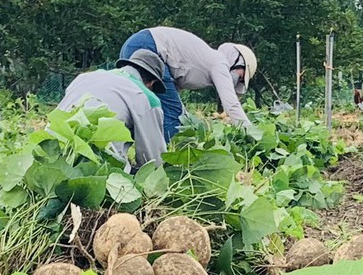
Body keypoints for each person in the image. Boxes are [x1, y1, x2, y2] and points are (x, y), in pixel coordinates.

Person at [116, 25, 258, 141]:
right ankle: (167, 160)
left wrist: (189, 119)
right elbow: (231, 104)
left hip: (134, 45)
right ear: (237, 61)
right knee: (172, 112)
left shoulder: (204, 63)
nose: (237, 81)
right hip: (147, 47)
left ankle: (133, 151)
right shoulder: (220, 63)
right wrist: (250, 132)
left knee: (143, 105)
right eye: (241, 77)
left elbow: (172, 92)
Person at [58, 48, 169, 168]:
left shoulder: (84, 77)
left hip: (53, 152)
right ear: (152, 83)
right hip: (98, 167)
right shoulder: (146, 96)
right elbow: (152, 160)